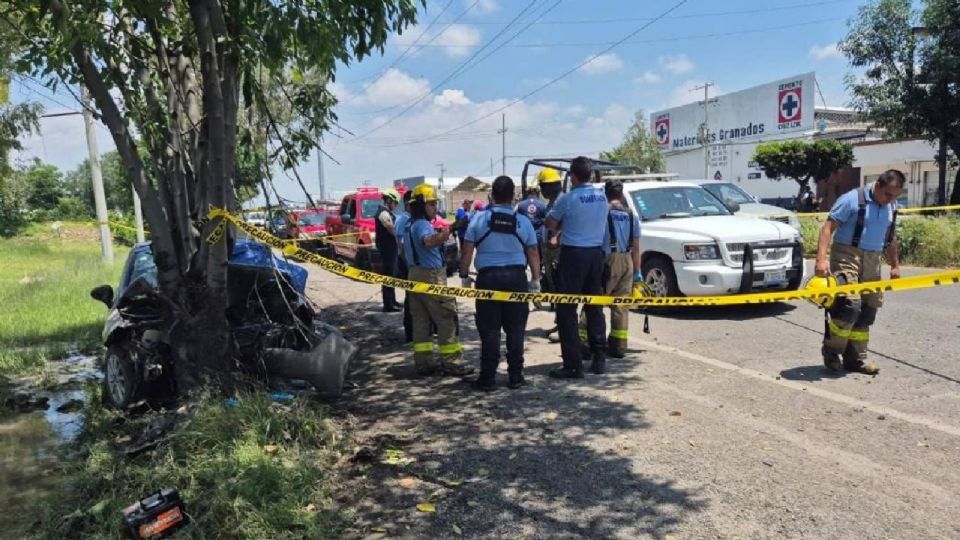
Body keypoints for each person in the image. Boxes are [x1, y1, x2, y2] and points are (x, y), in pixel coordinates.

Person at [815, 169, 904, 375]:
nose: (890, 200)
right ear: (878, 185)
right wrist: (821, 260)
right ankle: (832, 351)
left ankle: (855, 359)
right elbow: (828, 228)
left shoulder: (891, 206)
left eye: (895, 196)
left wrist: (895, 265)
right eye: (888, 195)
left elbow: (890, 238)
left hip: (873, 260)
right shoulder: (851, 200)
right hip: (847, 256)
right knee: (849, 305)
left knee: (868, 310)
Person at [460, 176, 541, 391]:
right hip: (516, 279)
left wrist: (463, 275)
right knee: (516, 329)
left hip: (488, 279)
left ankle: (487, 378)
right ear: (513, 197)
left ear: (491, 196)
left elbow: (467, 249)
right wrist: (535, 279)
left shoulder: (478, 219)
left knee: (489, 329)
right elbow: (532, 251)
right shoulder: (522, 221)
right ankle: (515, 376)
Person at [544, 156, 609, 378]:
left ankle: (573, 364)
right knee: (594, 307)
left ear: (572, 176)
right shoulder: (602, 198)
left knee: (566, 310)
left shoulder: (568, 199)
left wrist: (563, 226)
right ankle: (599, 357)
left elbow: (550, 223)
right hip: (595, 255)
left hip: (573, 256)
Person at [403, 183, 473, 377]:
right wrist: (446, 232)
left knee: (421, 321)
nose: (435, 207)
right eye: (432, 203)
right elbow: (429, 241)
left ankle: (424, 362)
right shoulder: (423, 225)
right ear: (422, 204)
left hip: (414, 275)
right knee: (446, 317)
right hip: (431, 277)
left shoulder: (409, 224)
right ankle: (452, 363)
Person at [578, 179, 642, 358]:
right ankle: (618, 345)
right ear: (621, 195)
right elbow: (636, 246)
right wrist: (637, 271)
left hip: (607, 260)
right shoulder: (631, 215)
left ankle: (583, 341)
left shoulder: (602, 212)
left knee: (594, 301)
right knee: (621, 305)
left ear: (605, 194)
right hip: (627, 260)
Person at [375, 188, 402, 312]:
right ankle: (388, 305)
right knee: (388, 276)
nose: (395, 206)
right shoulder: (383, 213)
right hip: (387, 250)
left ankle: (393, 301)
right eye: (395, 203)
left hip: (391, 249)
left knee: (392, 275)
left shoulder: (387, 213)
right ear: (390, 200)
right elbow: (392, 229)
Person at [394, 189, 414, 342]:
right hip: (408, 264)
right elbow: (400, 246)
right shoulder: (403, 220)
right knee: (411, 299)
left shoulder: (409, 218)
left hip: (411, 264)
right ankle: (410, 332)